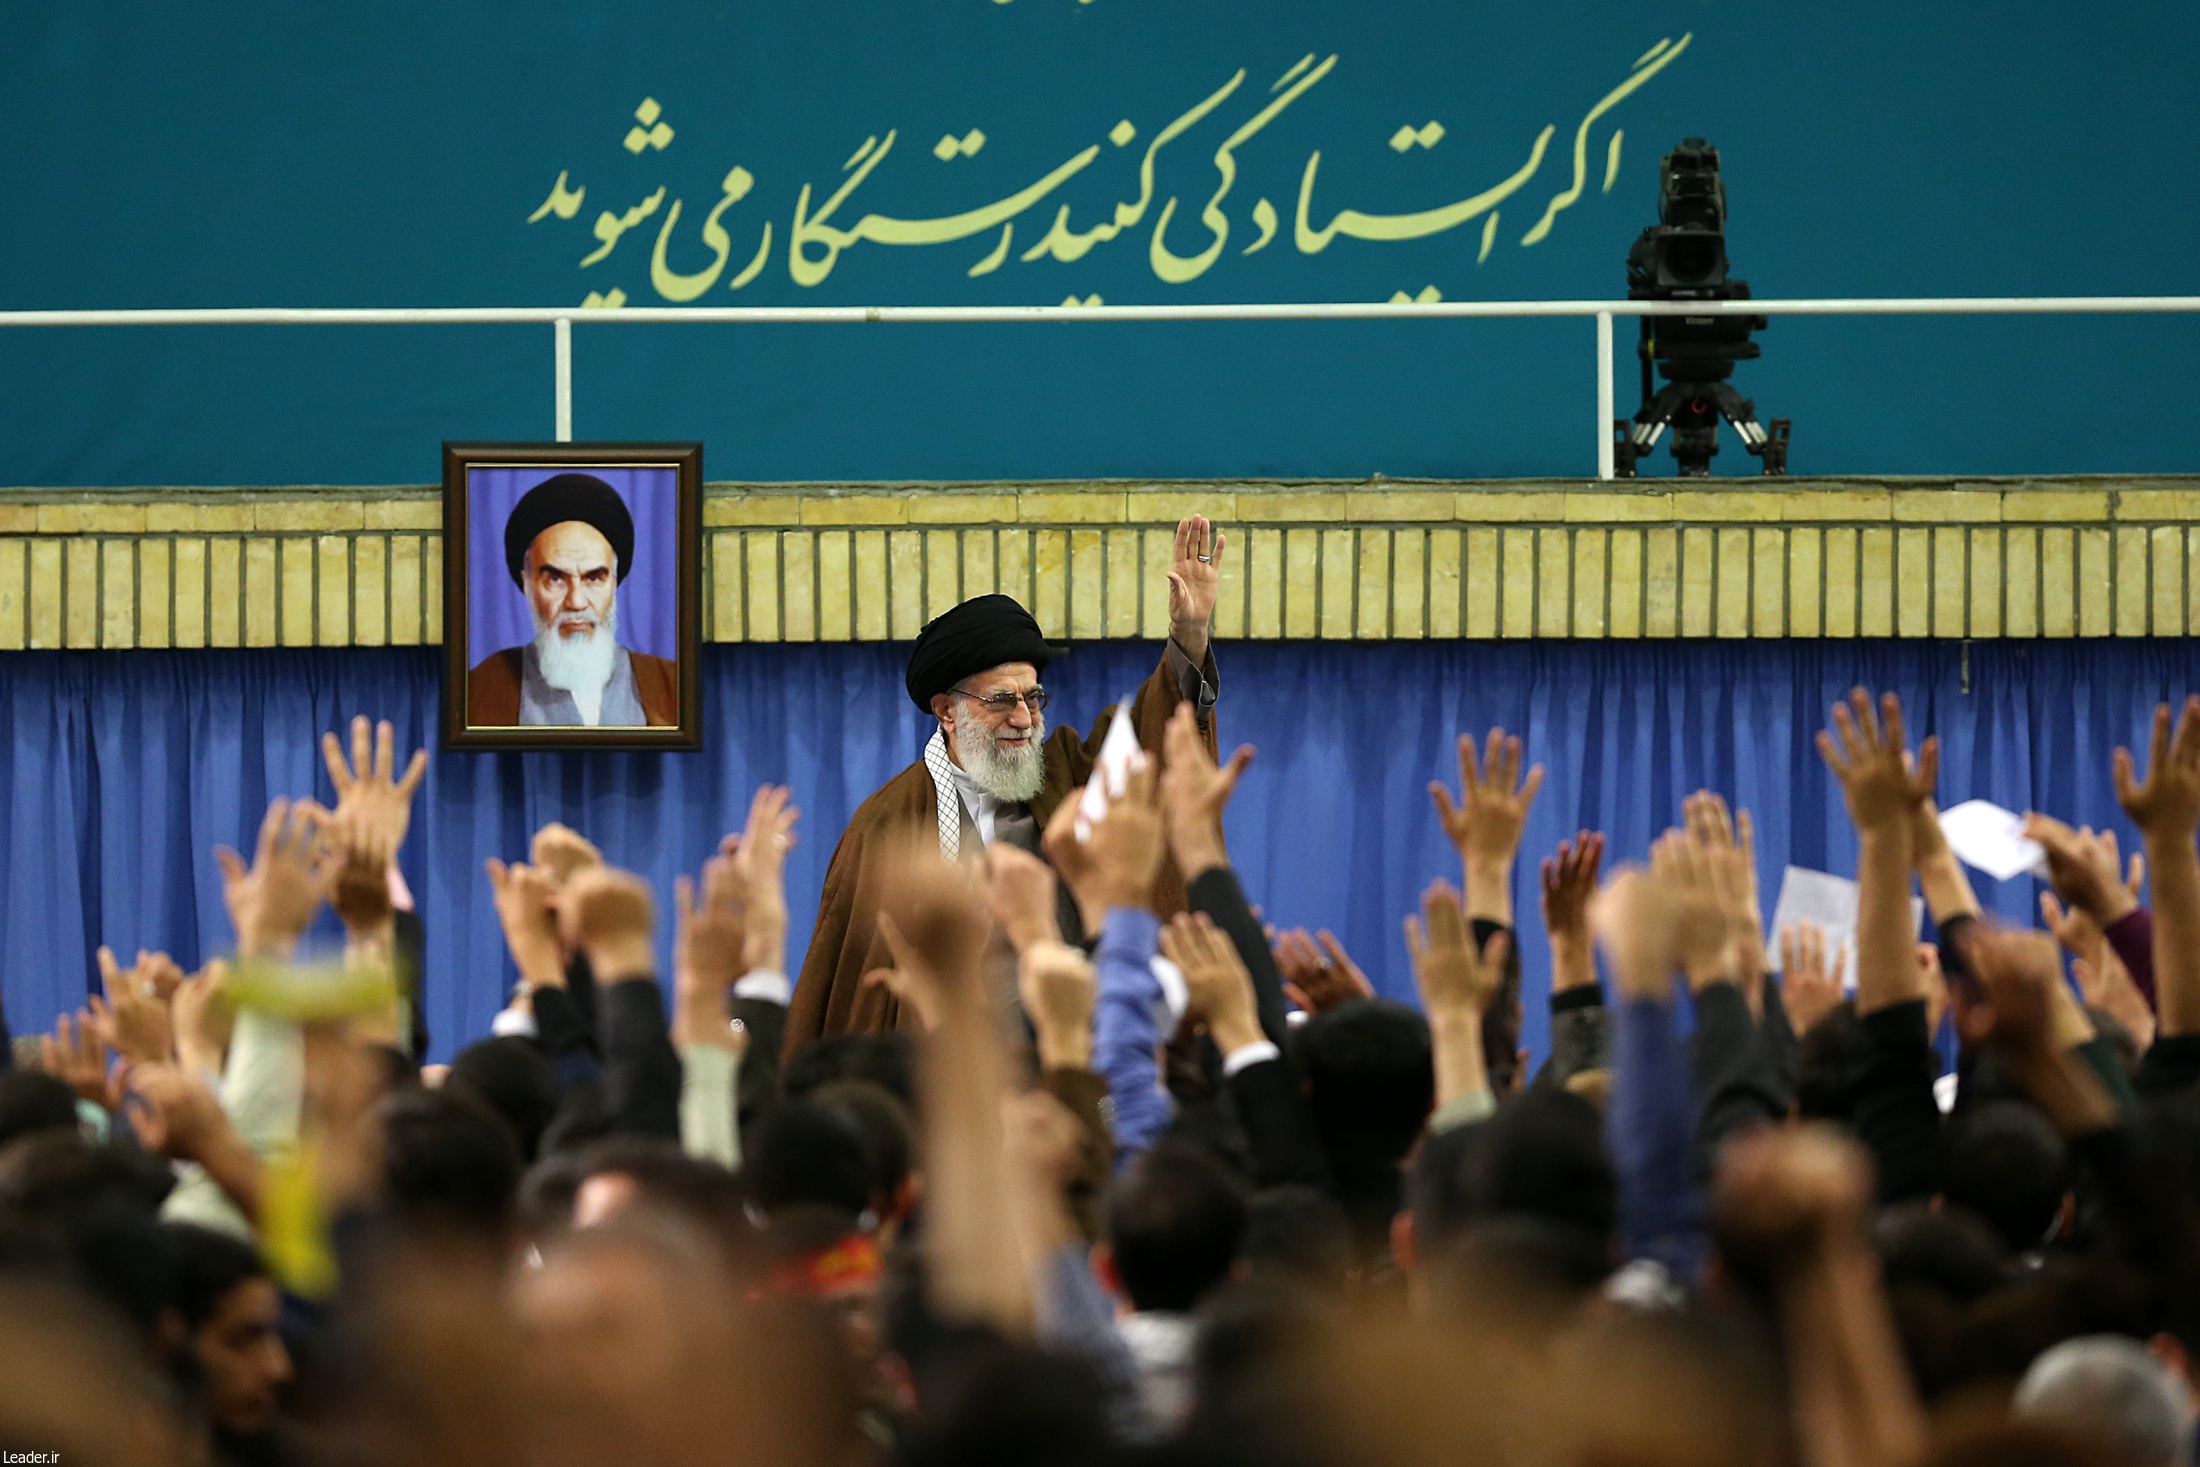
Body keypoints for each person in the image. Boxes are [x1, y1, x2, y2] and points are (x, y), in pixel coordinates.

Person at [785, 516, 1225, 1044]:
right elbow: (847, 997)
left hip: (1071, 1053)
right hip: (953, 1067)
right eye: (1001, 700)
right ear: (946, 711)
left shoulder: (1070, 775)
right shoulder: (888, 824)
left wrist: (1189, 637)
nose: (1023, 718)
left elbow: (1157, 740)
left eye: (1032, 698)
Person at [466, 473, 676, 728]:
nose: (576, 602)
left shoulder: (671, 685)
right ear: (527, 584)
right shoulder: (481, 689)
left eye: (594, 578)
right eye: (555, 579)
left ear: (614, 582)